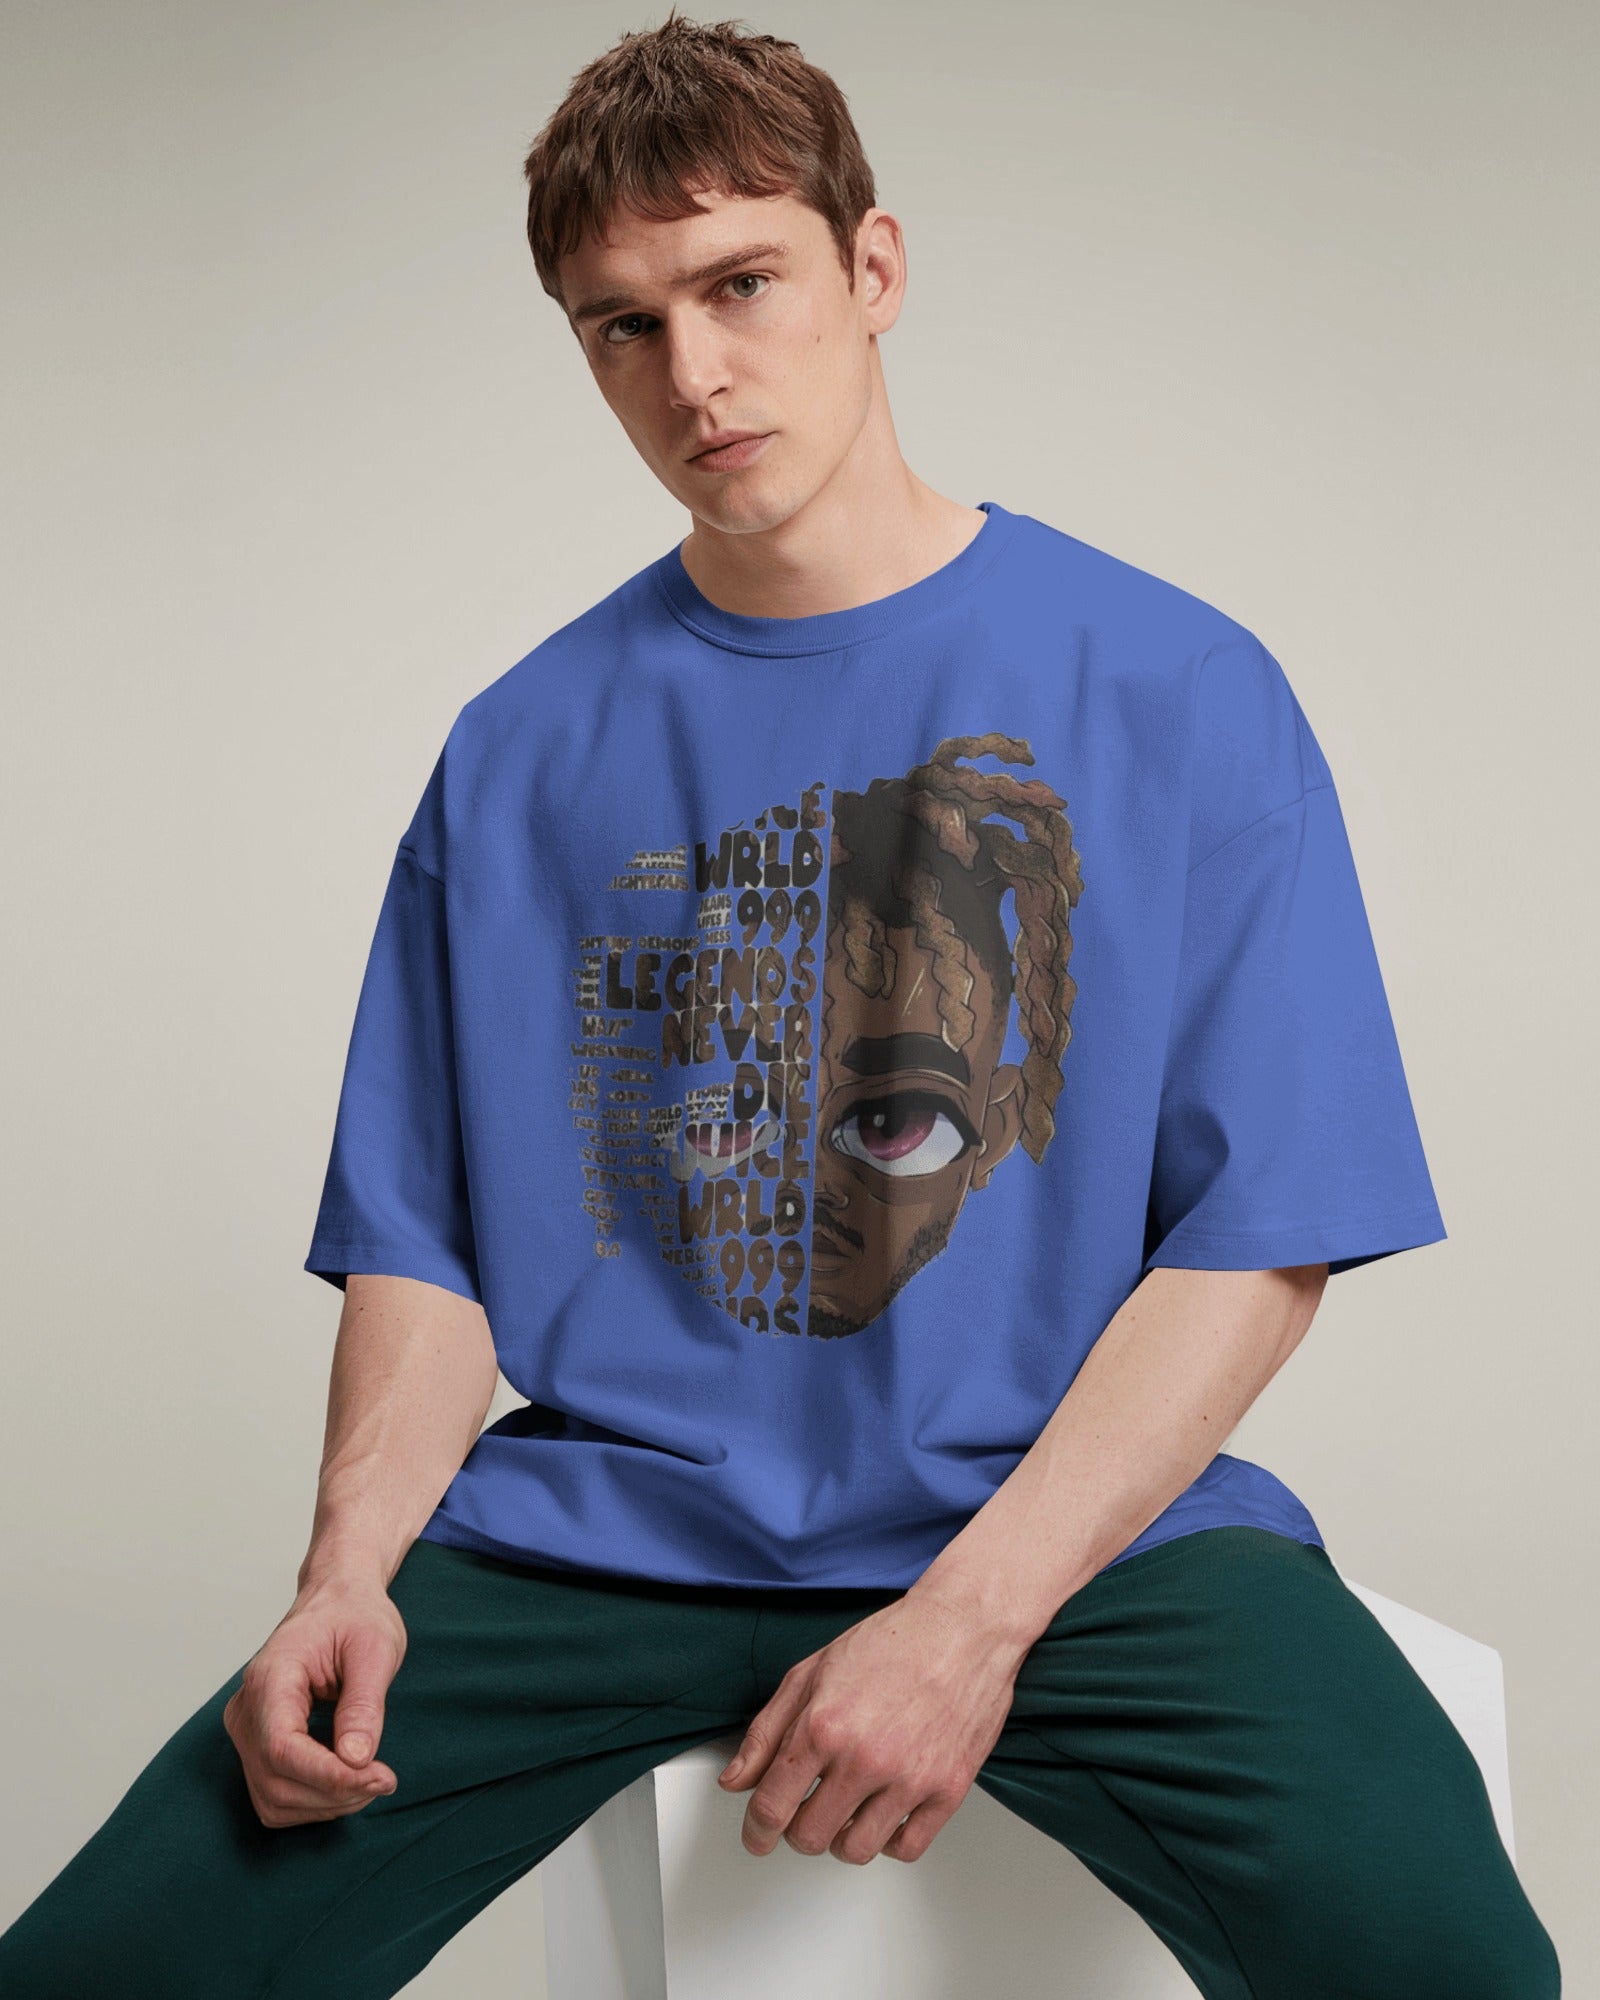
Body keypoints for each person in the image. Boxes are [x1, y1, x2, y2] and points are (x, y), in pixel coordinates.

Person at [0, 11, 1562, 1997]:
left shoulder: (1174, 687)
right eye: (622, 324)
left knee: (1449, 1962)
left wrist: (968, 1623)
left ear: (871, 267)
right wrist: (343, 1575)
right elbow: (427, 1242)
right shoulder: (521, 749)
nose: (692, 374)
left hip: (1068, 1541)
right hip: (595, 1538)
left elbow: (1261, 1233)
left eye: (740, 283)